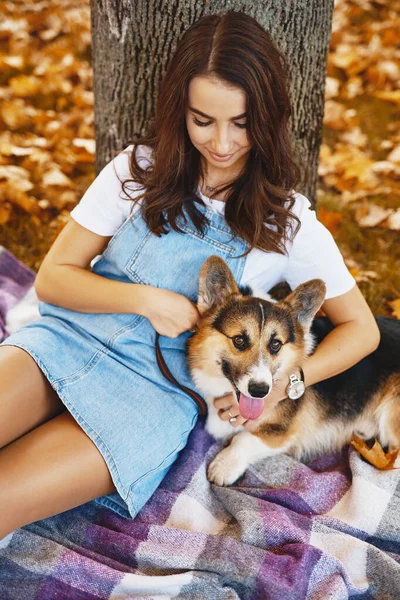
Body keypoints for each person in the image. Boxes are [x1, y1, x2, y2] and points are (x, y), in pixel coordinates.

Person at [0, 11, 380, 539]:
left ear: (266, 119)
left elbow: (364, 331)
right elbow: (54, 279)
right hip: (63, 343)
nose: (222, 143)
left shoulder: (289, 224)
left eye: (241, 123)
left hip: (149, 400)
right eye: (203, 120)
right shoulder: (135, 172)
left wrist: (283, 384)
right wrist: (146, 301)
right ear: (180, 110)